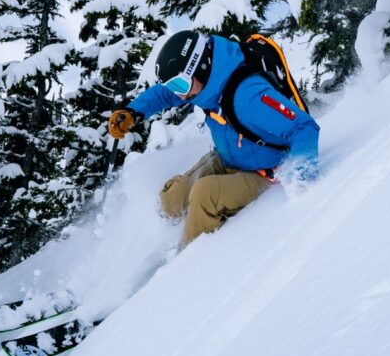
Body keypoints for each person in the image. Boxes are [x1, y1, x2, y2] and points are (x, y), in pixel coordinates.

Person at [108, 30, 320, 248]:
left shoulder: (249, 96)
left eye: (180, 85)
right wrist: (134, 112)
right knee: (173, 197)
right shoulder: (202, 84)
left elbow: (304, 127)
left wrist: (301, 176)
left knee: (203, 194)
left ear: (202, 66)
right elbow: (165, 94)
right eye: (174, 86)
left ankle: (183, 264)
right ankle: (151, 243)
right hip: (229, 157)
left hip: (264, 171)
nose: (178, 94)